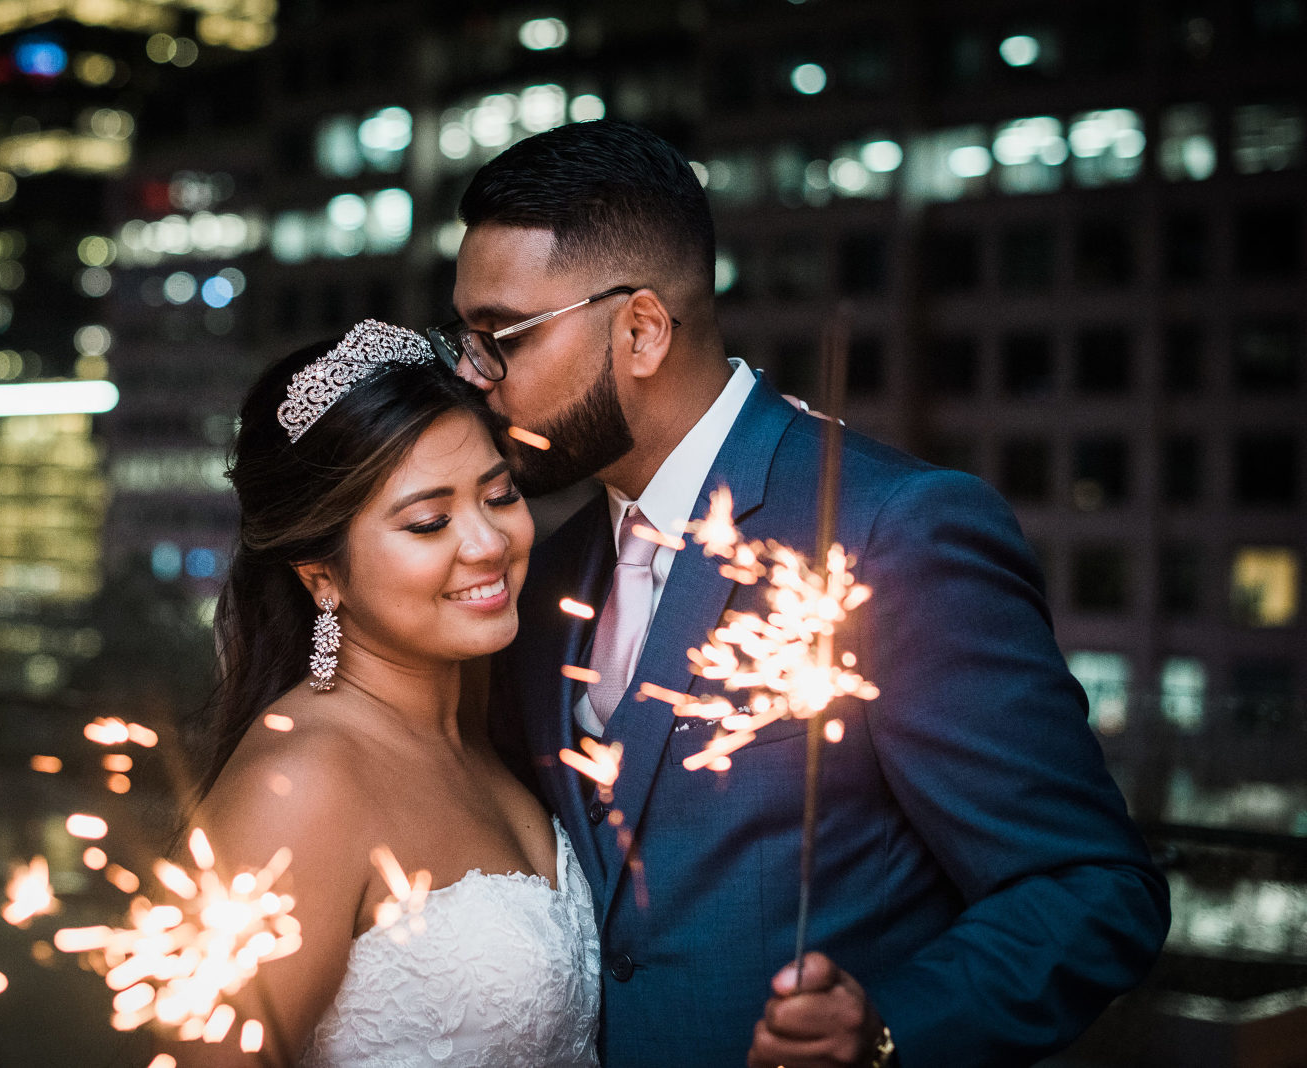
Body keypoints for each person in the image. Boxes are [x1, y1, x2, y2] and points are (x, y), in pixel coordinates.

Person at [434, 120, 1171, 1067]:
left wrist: (892, 1029)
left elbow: (1093, 885)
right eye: (464, 336)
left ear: (642, 330)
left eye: (501, 338)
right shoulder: (539, 575)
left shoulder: (896, 532)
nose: (471, 373)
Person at [189, 320, 600, 1066]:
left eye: (499, 495)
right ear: (323, 575)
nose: (487, 544)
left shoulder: (493, 726)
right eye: (428, 521)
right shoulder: (301, 787)